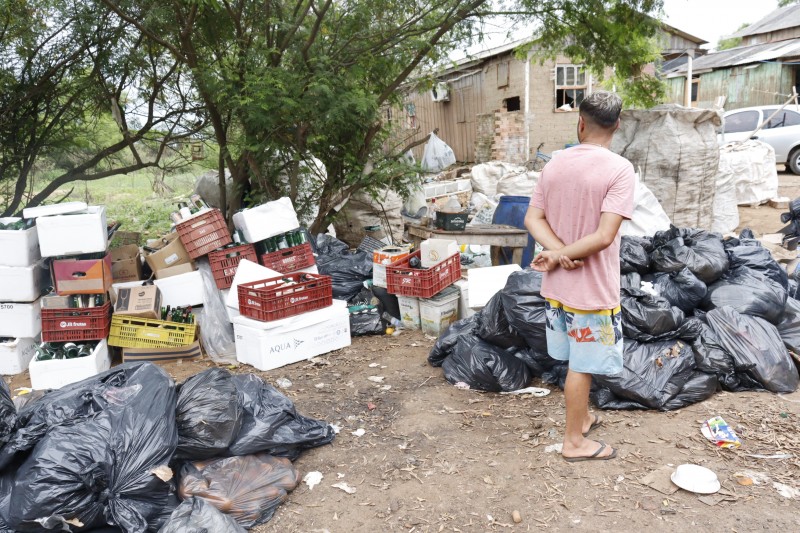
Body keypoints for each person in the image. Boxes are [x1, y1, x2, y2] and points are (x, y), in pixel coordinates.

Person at [524, 91, 635, 462]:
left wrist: (557, 253)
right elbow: (604, 237)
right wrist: (563, 254)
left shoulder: (554, 164)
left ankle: (583, 417)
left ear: (581, 123)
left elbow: (532, 219)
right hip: (591, 288)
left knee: (575, 357)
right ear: (617, 124)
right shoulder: (619, 169)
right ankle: (574, 441)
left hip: (557, 286)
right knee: (582, 366)